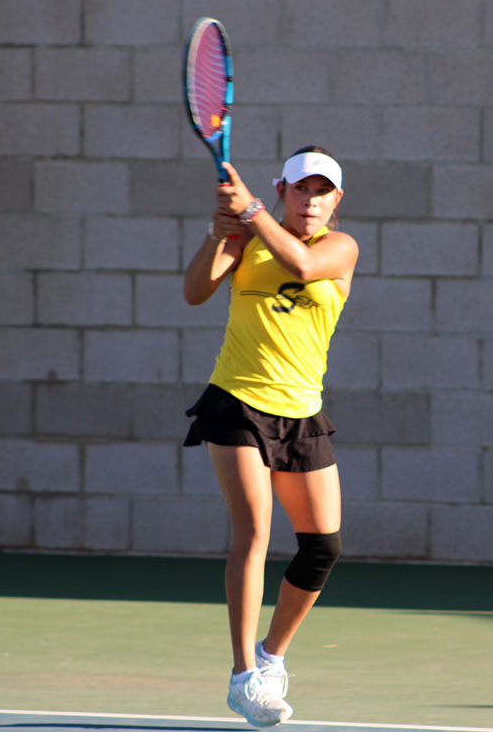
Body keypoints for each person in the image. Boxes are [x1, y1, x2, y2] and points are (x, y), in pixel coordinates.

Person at [183, 146, 359, 727]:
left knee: (322, 548)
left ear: (337, 200)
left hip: (303, 414)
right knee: (254, 530)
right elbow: (196, 291)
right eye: (301, 189)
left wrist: (252, 211)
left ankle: (271, 656)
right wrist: (219, 233)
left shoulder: (340, 248)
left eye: (322, 191)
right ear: (284, 190)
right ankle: (241, 677)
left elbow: (303, 270)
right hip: (237, 402)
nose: (311, 200)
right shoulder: (246, 238)